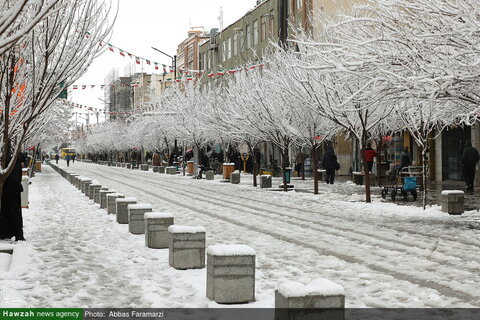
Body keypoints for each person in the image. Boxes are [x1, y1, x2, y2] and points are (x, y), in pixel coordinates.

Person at [0, 151, 26, 241]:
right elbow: (14, 180)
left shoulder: (12, 163)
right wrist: (19, 186)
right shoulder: (15, 165)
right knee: (15, 215)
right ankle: (18, 235)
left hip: (8, 193)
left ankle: (7, 233)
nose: (23, 166)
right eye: (23, 163)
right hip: (12, 194)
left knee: (8, 214)